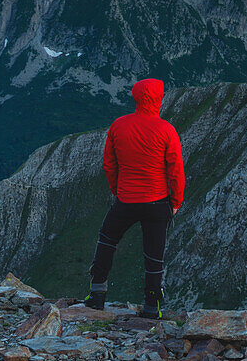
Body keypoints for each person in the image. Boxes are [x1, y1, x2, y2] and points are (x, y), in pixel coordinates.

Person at [83, 78, 185, 319]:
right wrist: (175, 202)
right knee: (153, 254)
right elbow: (176, 170)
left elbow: (109, 164)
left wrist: (118, 191)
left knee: (107, 240)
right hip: (157, 202)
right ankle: (152, 306)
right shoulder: (166, 130)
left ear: (136, 97)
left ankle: (97, 295)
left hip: (126, 200)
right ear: (158, 99)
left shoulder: (119, 125)